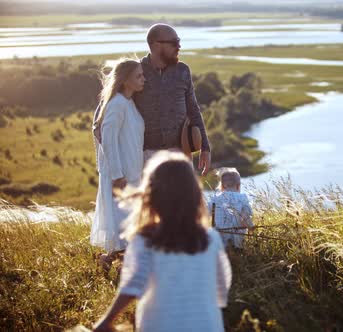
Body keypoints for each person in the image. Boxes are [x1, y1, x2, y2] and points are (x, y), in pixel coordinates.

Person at [93, 151, 232, 332]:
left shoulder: (146, 239)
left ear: (151, 195)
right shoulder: (210, 238)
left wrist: (107, 320)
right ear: (194, 195)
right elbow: (221, 285)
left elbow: (134, 284)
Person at [134, 23, 211, 174]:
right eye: (174, 43)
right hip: (145, 157)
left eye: (179, 42)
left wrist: (205, 148)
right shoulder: (137, 71)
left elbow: (193, 109)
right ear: (156, 45)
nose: (179, 47)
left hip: (181, 154)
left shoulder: (183, 70)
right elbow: (116, 100)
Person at [90, 59, 146, 265]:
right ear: (125, 80)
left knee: (128, 222)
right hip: (120, 176)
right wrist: (116, 175)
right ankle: (123, 265)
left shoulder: (129, 102)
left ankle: (107, 259)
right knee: (123, 223)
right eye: (139, 76)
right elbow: (108, 138)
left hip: (132, 173)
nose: (143, 79)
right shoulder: (117, 104)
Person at [208, 168, 254, 249]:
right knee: (238, 253)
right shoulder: (242, 198)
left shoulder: (215, 198)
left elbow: (205, 212)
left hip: (220, 239)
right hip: (237, 241)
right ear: (238, 185)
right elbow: (245, 216)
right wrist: (251, 226)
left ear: (221, 186)